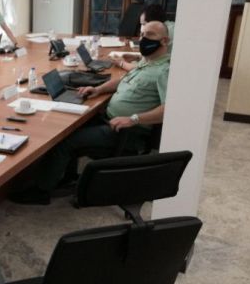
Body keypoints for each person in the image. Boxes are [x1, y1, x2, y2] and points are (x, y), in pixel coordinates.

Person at [9, 21, 171, 205]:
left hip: (127, 132)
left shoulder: (164, 70)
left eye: (149, 35)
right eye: (141, 35)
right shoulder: (147, 62)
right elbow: (123, 80)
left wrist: (133, 119)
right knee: (66, 126)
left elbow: (168, 110)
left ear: (164, 41)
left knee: (65, 141)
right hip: (110, 120)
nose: (143, 39)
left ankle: (41, 191)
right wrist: (98, 89)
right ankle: (65, 176)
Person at [113, 4, 175, 71]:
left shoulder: (165, 33)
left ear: (154, 23)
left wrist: (121, 63)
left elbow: (142, 69)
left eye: (144, 24)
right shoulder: (171, 26)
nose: (142, 29)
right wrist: (137, 57)